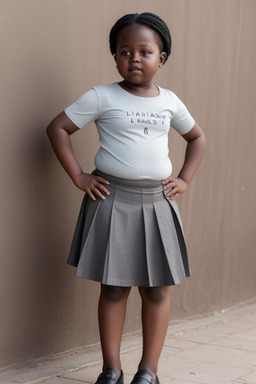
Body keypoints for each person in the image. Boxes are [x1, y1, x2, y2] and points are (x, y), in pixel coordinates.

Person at [46, 12, 206, 384]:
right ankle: (111, 369)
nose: (134, 58)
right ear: (115, 56)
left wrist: (184, 178)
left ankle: (148, 371)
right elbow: (57, 127)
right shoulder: (101, 96)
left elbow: (197, 138)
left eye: (144, 51)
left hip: (156, 203)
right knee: (114, 287)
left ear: (161, 57)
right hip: (111, 200)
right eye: (125, 51)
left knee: (155, 289)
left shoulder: (170, 101)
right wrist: (79, 176)